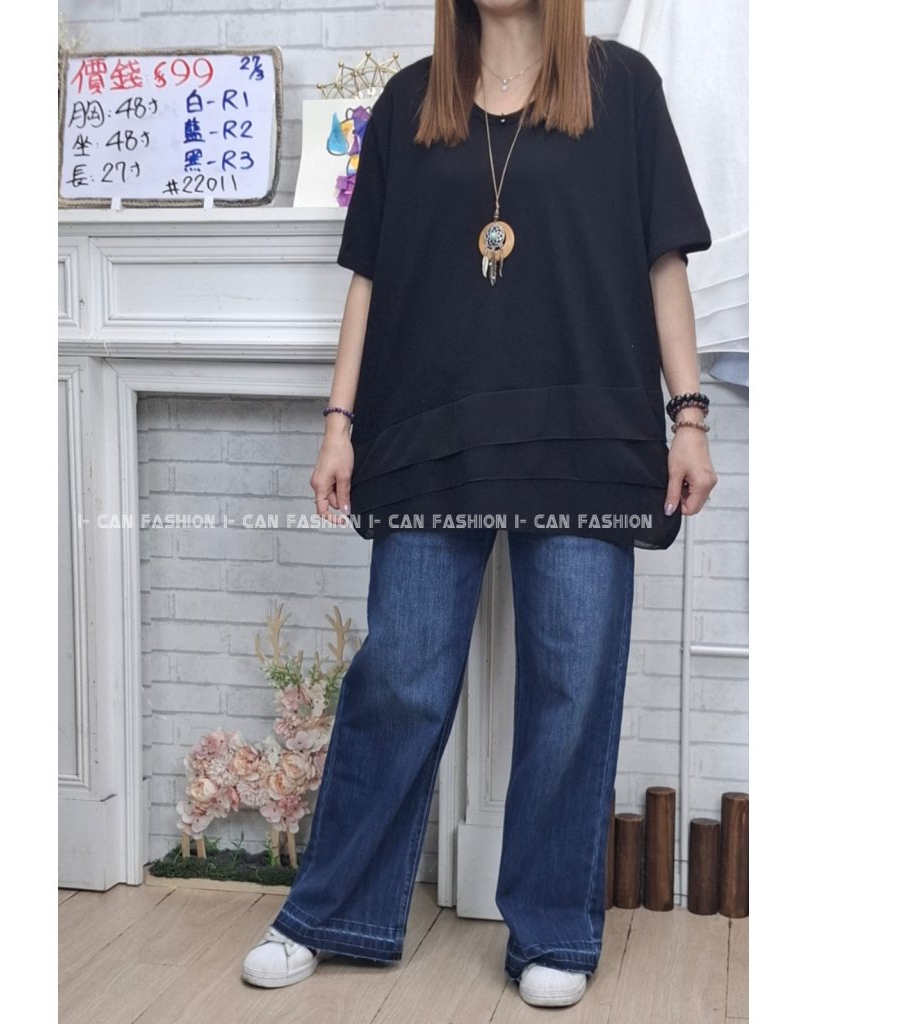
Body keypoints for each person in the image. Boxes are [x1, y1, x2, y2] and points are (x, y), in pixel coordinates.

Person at [242, 0, 717, 1008]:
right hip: (430, 430)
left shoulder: (622, 88)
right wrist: (338, 423)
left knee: (571, 685)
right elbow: (370, 280)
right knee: (401, 677)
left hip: (586, 434)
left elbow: (662, 259)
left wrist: (688, 416)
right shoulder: (410, 104)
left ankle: (552, 928)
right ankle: (331, 911)